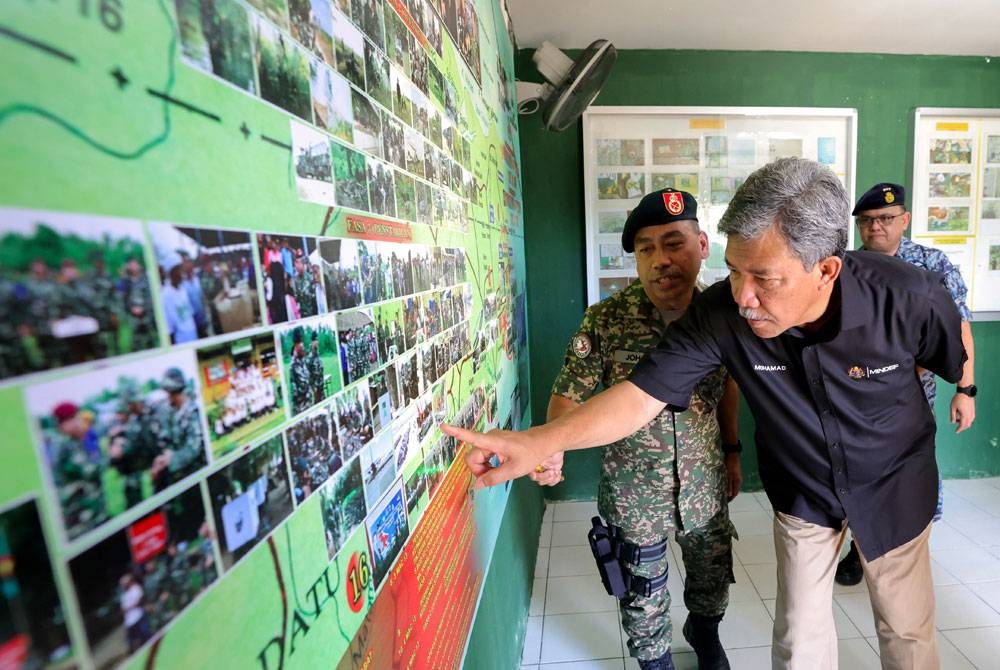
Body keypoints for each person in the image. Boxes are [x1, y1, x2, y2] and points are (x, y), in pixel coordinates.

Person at [446, 158, 966, 670]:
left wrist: (959, 388)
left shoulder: (908, 296)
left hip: (895, 484)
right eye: (736, 272)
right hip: (805, 490)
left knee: (906, 631)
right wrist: (541, 440)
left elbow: (951, 359)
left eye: (763, 277)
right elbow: (640, 395)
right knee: (800, 637)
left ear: (825, 269)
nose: (744, 297)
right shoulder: (719, 313)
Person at [532, 189, 741, 670]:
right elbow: (569, 391)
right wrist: (552, 445)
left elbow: (727, 386)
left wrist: (733, 450)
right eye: (646, 249)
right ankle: (655, 662)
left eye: (673, 244)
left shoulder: (721, 314)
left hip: (704, 483)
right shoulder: (606, 320)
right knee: (642, 593)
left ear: (702, 245)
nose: (660, 260)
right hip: (634, 492)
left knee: (711, 578)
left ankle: (703, 633)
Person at [833, 182, 977, 586]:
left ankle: (904, 551)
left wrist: (966, 391)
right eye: (867, 221)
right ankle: (858, 551)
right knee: (855, 474)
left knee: (908, 476)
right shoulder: (845, 267)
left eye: (885, 219)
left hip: (915, 400)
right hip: (858, 395)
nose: (876, 227)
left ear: (905, 220)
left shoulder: (932, 264)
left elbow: (960, 327)